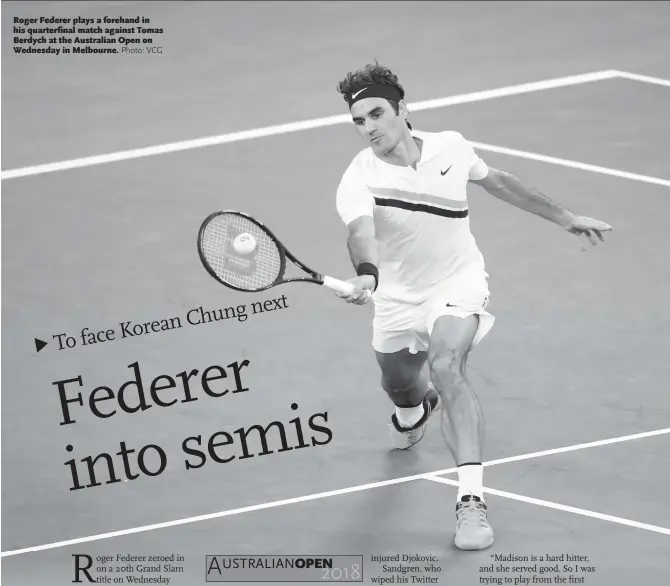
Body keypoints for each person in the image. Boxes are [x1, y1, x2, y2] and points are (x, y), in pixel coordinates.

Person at [333, 63, 612, 551]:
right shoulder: (360, 176)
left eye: (376, 113)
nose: (370, 128)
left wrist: (564, 217)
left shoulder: (451, 148)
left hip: (456, 280)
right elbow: (361, 233)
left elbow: (498, 182)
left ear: (402, 109)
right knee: (399, 383)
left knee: (446, 364)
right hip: (396, 296)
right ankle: (414, 412)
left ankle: (470, 501)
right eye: (359, 121)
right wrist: (367, 276)